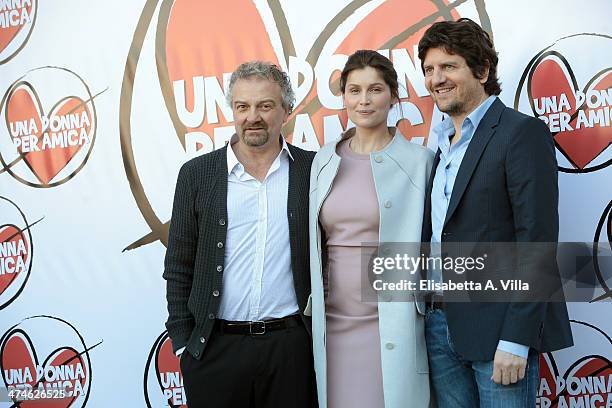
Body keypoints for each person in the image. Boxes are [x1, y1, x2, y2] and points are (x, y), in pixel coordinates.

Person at [418, 18, 573, 407]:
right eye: (429, 70)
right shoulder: (438, 146)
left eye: (449, 66)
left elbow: (537, 241)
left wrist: (517, 338)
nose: (437, 78)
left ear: (482, 70)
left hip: (499, 331)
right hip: (439, 326)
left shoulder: (520, 133)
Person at [163, 61, 316, 407]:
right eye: (242, 106)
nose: (253, 117)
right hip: (215, 349)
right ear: (232, 110)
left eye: (265, 105)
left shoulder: (312, 170)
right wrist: (184, 341)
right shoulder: (197, 175)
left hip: (291, 348)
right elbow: (178, 264)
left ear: (287, 110)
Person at [308, 49, 433, 408]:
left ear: (394, 96)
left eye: (375, 90)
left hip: (392, 322)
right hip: (332, 322)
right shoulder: (323, 160)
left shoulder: (420, 161)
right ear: (343, 97)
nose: (364, 100)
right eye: (354, 90)